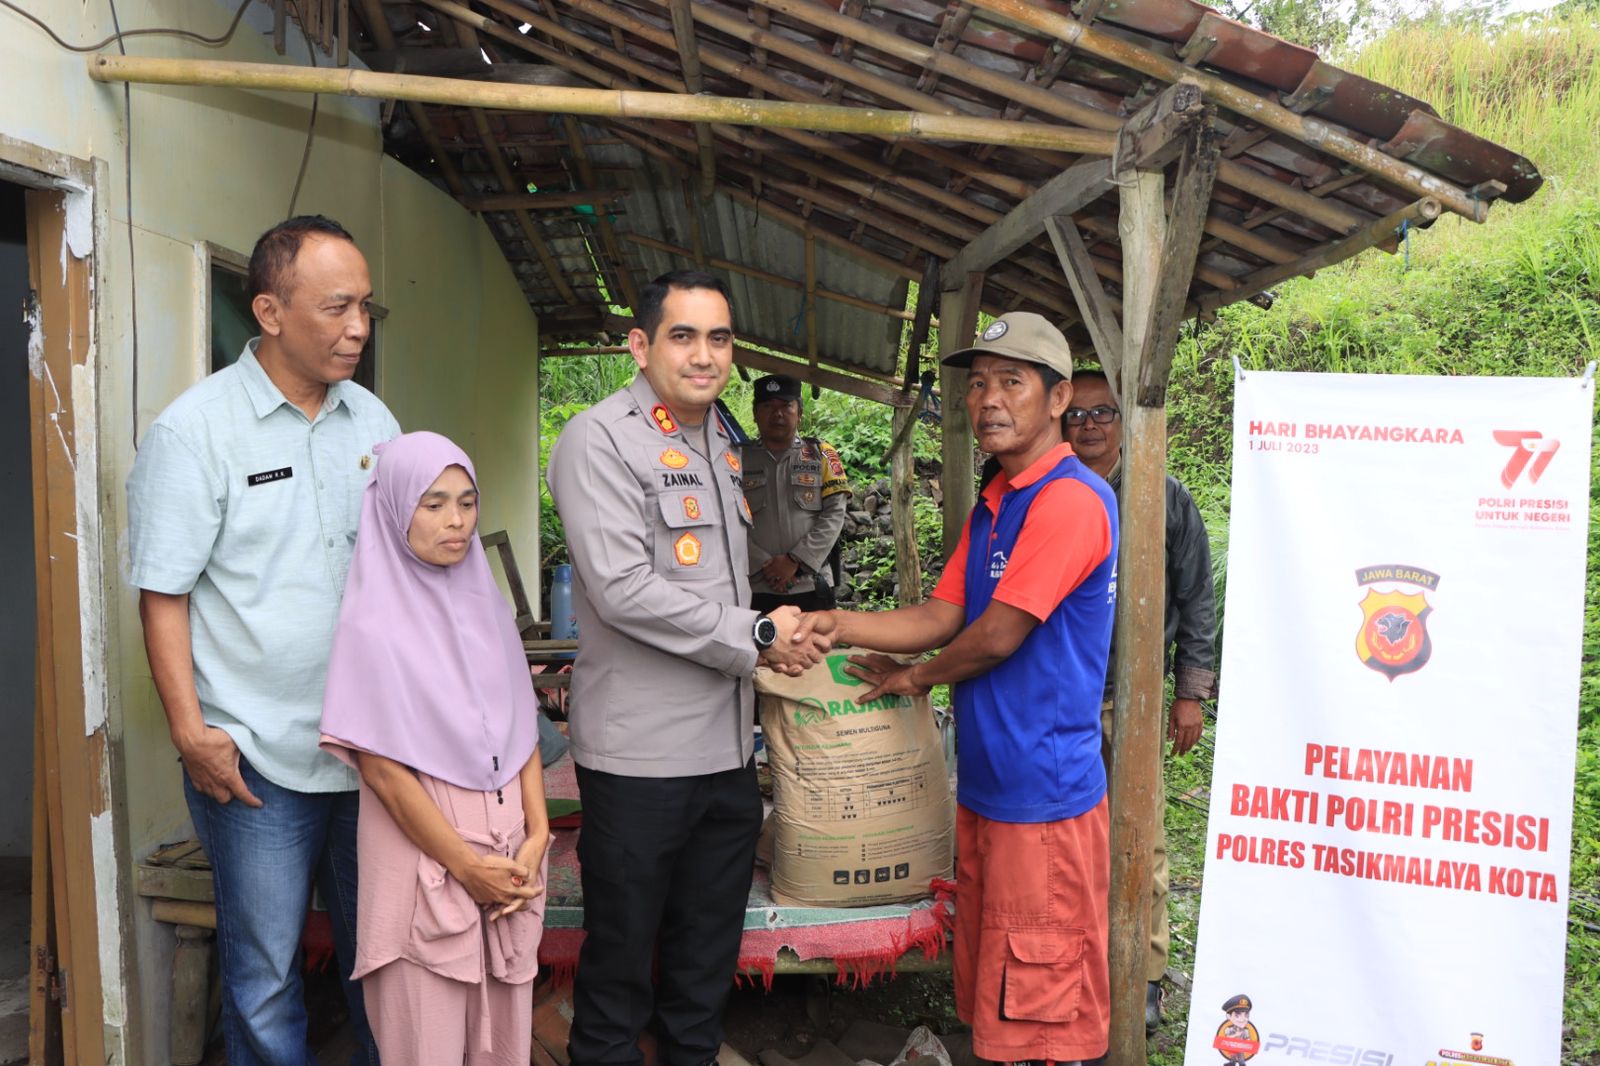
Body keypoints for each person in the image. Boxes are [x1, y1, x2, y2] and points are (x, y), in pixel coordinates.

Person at [813, 312, 1117, 1066]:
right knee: (999, 990)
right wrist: (834, 624)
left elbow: (994, 635)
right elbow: (942, 614)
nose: (988, 399)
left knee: (1042, 1003)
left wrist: (914, 679)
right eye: (979, 383)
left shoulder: (1070, 501)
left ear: (1058, 400)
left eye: (1011, 382)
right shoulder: (997, 504)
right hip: (987, 788)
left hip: (1042, 801)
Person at [127, 215, 396, 1065]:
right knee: (267, 975)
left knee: (381, 961)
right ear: (271, 313)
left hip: (368, 752)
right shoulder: (195, 431)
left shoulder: (374, 423)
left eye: (366, 308)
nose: (357, 327)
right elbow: (161, 594)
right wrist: (191, 735)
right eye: (337, 307)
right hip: (251, 762)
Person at [546, 270, 827, 1066]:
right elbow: (624, 591)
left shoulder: (720, 440)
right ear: (640, 345)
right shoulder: (598, 439)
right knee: (620, 969)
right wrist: (762, 631)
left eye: (719, 338)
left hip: (724, 757)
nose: (704, 355)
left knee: (704, 967)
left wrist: (764, 634)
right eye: (683, 335)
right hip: (639, 762)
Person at [320, 431, 548, 1066]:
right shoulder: (373, 625)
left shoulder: (488, 607)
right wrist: (466, 868)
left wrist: (536, 836)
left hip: (510, 863)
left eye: (467, 502)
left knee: (504, 1044)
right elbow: (386, 777)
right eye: (434, 503)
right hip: (429, 867)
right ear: (395, 509)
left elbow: (519, 725)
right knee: (429, 1045)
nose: (456, 521)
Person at [1062, 369, 1218, 1034]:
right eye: (1079, 415)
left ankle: (1147, 975)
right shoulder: (1048, 490)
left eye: (1105, 413)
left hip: (1133, 701)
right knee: (1066, 840)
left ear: (1126, 421)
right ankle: (1074, 962)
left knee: (1142, 842)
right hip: (1060, 698)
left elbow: (1197, 597)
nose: (1091, 425)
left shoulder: (1163, 497)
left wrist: (1190, 693)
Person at [740, 373, 851, 612]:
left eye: (786, 405)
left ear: (799, 412)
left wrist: (794, 561)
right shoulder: (736, 459)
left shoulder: (821, 454)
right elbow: (727, 516)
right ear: (755, 414)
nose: (777, 413)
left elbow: (834, 514)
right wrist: (763, 564)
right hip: (755, 587)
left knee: (816, 648)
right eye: (768, 406)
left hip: (811, 585)